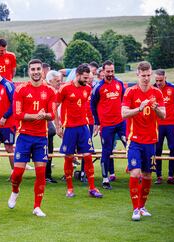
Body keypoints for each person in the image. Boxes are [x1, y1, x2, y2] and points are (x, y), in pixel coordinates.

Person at [7, 59, 56, 217]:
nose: (36, 71)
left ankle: (37, 206)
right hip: (24, 137)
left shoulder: (50, 91)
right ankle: (15, 191)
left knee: (41, 174)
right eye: (33, 69)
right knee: (17, 174)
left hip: (41, 138)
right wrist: (36, 115)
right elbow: (17, 114)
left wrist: (45, 115)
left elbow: (52, 114)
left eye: (38, 69)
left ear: (43, 71)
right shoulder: (20, 90)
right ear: (28, 71)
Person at [121, 61, 165, 221]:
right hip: (135, 141)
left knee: (147, 175)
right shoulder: (130, 92)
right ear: (137, 75)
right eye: (143, 75)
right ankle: (135, 209)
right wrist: (139, 108)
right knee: (135, 172)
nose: (146, 78)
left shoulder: (157, 93)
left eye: (148, 75)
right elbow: (124, 114)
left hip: (151, 141)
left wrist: (155, 108)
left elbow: (164, 115)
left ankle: (142, 206)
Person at [56, 63, 103, 198]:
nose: (88, 80)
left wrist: (94, 122)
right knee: (69, 157)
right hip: (69, 128)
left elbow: (87, 107)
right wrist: (58, 126)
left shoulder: (87, 89)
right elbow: (55, 106)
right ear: (77, 75)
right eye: (85, 77)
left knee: (88, 156)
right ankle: (70, 188)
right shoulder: (65, 88)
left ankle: (92, 188)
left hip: (83, 127)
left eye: (89, 78)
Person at [91, 60, 126, 189]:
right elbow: (93, 105)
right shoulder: (98, 87)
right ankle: (105, 178)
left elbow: (125, 101)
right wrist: (97, 122)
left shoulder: (120, 84)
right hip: (106, 125)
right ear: (103, 71)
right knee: (107, 151)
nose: (110, 73)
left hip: (121, 122)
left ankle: (136, 173)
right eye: (108, 71)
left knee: (130, 145)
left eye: (112, 71)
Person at [154, 69, 174, 185]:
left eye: (161, 80)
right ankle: (159, 176)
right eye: (156, 80)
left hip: (171, 124)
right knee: (157, 150)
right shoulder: (152, 89)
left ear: (165, 78)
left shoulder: (173, 88)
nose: (159, 83)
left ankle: (171, 176)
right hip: (157, 125)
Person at [45, 70, 62, 183]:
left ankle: (47, 175)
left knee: (49, 150)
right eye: (57, 81)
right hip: (41, 126)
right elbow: (53, 110)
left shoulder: (54, 91)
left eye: (60, 80)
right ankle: (46, 175)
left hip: (48, 126)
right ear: (50, 81)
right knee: (45, 151)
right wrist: (57, 126)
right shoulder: (46, 90)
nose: (60, 83)